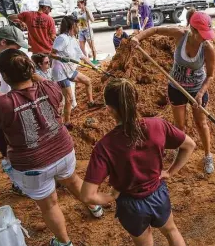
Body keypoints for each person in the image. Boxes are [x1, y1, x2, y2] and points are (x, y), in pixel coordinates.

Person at [0, 49, 103, 246]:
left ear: (4, 75)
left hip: (33, 165)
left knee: (50, 205)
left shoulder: (2, 104)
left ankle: (64, 242)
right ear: (31, 68)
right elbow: (37, 82)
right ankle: (95, 207)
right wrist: (28, 70)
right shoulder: (50, 87)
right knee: (72, 180)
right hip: (63, 151)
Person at [81, 78, 196, 246]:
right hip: (158, 193)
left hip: (131, 205)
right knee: (171, 231)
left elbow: (87, 195)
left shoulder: (105, 146)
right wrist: (170, 172)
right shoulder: (158, 125)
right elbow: (189, 145)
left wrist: (110, 197)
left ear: (109, 110)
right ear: (136, 100)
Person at [132, 9, 215, 174]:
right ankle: (181, 149)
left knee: (201, 123)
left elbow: (211, 76)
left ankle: (208, 156)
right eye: (203, 33)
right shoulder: (180, 34)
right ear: (192, 30)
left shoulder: (208, 48)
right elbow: (156, 29)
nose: (206, 37)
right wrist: (137, 37)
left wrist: (200, 94)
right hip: (176, 87)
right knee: (180, 125)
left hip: (197, 90)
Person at [52, 15, 103, 130]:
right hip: (60, 72)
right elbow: (52, 54)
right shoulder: (62, 38)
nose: (79, 27)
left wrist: (93, 66)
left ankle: (91, 103)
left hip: (69, 70)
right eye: (77, 25)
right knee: (69, 98)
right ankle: (67, 122)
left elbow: (82, 56)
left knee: (88, 81)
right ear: (72, 26)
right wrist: (61, 58)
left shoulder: (72, 39)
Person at [0, 26, 29, 195]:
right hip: (0, 114)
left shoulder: (3, 58)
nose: (17, 52)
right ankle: (18, 183)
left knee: (20, 145)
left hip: (13, 107)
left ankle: (26, 179)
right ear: (3, 42)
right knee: (8, 149)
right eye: (15, 47)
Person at [75, 0, 98, 64]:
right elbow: (77, 22)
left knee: (91, 46)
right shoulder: (78, 12)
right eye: (77, 4)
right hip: (81, 31)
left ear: (83, 3)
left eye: (78, 4)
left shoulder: (87, 10)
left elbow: (92, 20)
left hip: (87, 30)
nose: (78, 6)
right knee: (81, 48)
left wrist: (87, 11)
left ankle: (94, 60)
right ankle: (86, 60)